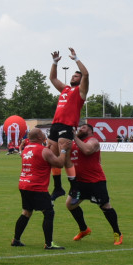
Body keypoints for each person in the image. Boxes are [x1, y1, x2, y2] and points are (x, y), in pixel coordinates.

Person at [66, 123, 123, 245]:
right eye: (80, 127)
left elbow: (87, 150)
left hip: (95, 182)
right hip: (79, 182)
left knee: (105, 206)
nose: (81, 128)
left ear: (91, 131)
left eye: (84, 127)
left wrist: (74, 136)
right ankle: (84, 229)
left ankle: (117, 233)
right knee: (70, 205)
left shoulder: (93, 140)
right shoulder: (74, 143)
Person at [11, 128, 66, 250]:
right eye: (42, 134)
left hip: (24, 184)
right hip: (37, 186)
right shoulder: (44, 151)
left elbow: (38, 158)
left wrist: (47, 147)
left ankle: (16, 239)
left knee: (26, 212)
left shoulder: (26, 149)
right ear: (40, 138)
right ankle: (49, 243)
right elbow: (59, 164)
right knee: (48, 212)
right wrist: (63, 150)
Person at [48, 48, 90, 199]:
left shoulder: (81, 91)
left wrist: (76, 59)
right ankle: (58, 188)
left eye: (76, 76)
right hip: (55, 125)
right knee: (53, 157)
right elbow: (52, 79)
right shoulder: (65, 89)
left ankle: (74, 188)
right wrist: (54, 63)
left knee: (65, 159)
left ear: (80, 80)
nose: (74, 77)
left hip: (67, 125)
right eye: (73, 75)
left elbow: (86, 74)